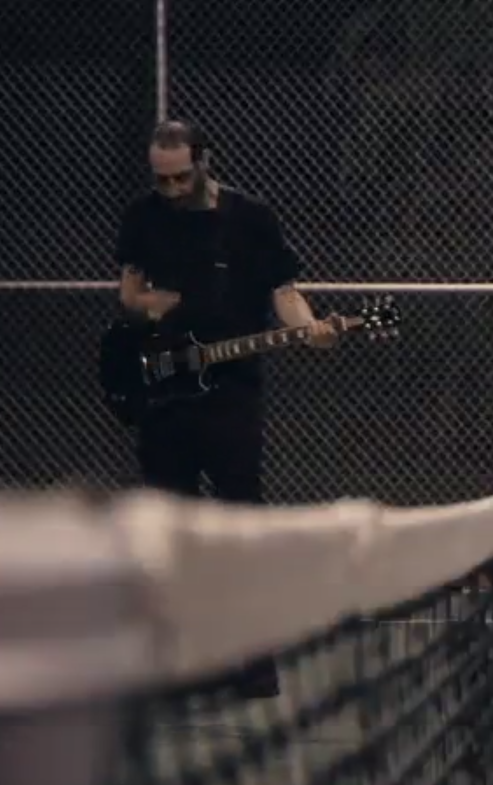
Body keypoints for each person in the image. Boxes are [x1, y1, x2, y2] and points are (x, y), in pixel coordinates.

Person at [113, 119, 340, 698]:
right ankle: (182, 660)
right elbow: (129, 293)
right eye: (161, 179)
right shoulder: (142, 217)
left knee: (240, 519)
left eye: (180, 178)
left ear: (204, 162)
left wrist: (310, 329)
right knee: (172, 524)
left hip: (231, 391)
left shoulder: (250, 219)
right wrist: (151, 305)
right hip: (164, 392)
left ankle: (252, 656)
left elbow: (285, 293)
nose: (170, 189)